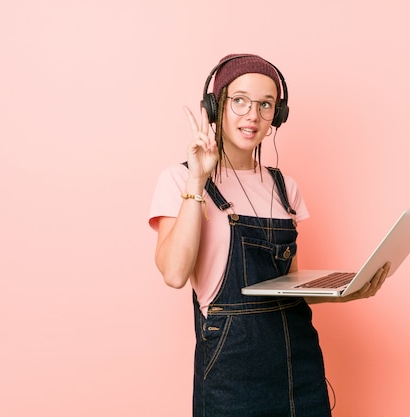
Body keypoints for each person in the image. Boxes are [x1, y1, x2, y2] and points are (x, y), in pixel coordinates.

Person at [148, 53, 390, 417]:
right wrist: (198, 180)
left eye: (266, 105)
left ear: (277, 115)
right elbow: (174, 274)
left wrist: (347, 291)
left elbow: (288, 285)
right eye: (240, 101)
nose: (253, 115)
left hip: (298, 360)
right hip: (234, 364)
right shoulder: (180, 179)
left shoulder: (284, 186)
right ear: (216, 106)